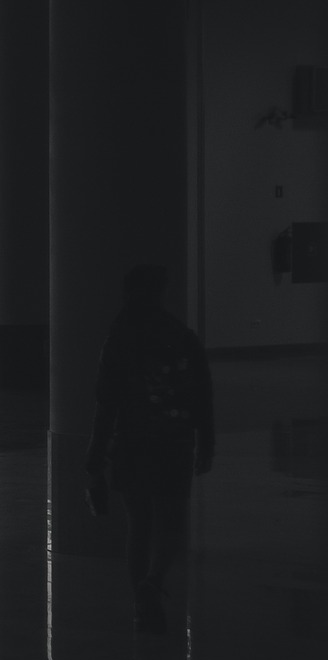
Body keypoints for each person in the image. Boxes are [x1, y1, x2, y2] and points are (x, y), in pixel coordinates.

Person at [85, 264, 214, 634]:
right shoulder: (180, 335)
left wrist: (95, 459)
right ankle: (154, 581)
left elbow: (105, 401)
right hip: (174, 441)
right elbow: (201, 392)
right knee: (171, 520)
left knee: (138, 524)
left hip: (132, 441)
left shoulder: (119, 336)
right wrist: (206, 439)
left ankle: (141, 603)